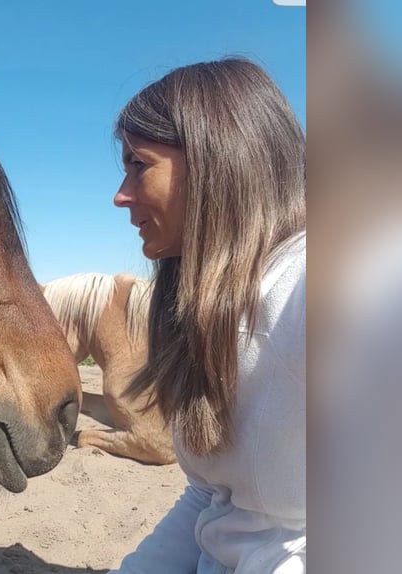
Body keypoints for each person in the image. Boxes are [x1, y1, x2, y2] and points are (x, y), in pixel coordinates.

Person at [109, 57, 305, 573]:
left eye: (138, 164)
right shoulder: (202, 312)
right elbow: (212, 501)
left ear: (216, 158)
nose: (120, 194)